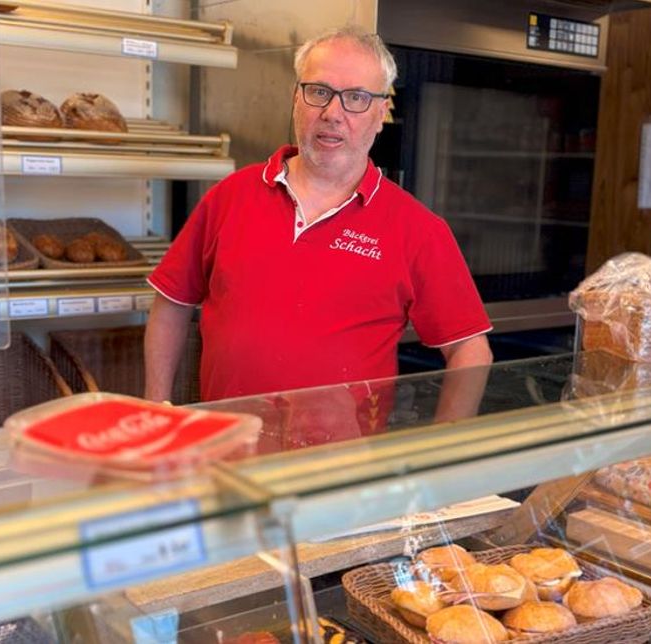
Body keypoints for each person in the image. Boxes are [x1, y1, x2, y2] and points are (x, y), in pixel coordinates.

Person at [145, 26, 492, 407]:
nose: (332, 113)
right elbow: (171, 302)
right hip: (230, 451)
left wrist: (446, 443)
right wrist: (155, 406)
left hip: (341, 463)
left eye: (356, 98)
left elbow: (470, 350)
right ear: (296, 99)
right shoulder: (230, 197)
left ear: (381, 114)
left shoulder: (418, 229)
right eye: (319, 92)